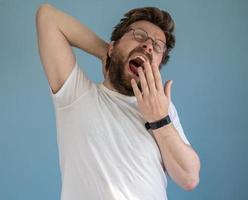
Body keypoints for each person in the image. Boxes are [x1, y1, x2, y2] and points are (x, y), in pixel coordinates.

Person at [36, 3, 200, 200]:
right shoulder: (76, 94)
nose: (149, 45)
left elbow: (189, 177)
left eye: (157, 47)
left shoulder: (163, 109)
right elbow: (47, 17)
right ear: (113, 47)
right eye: (139, 35)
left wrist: (159, 119)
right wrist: (108, 54)